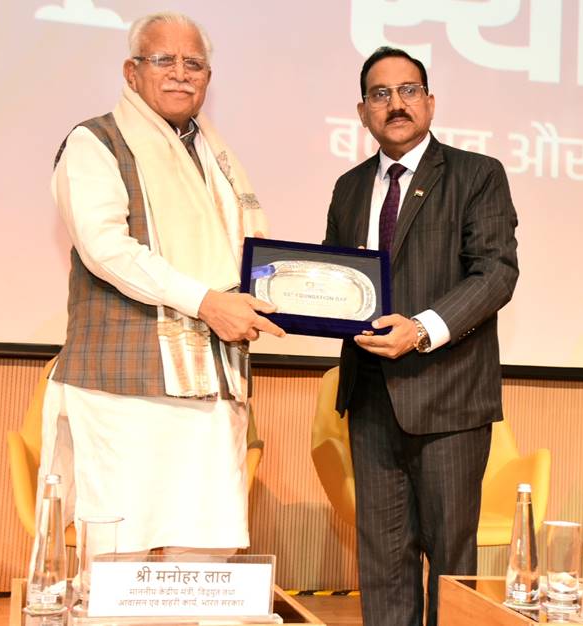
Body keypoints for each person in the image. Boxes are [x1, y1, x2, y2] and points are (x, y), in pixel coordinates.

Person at [38, 11, 284, 557]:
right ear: (131, 72)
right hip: (123, 386)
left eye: (193, 63)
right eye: (163, 60)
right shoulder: (95, 142)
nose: (180, 73)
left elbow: (245, 256)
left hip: (210, 390)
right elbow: (107, 250)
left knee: (207, 551)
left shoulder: (216, 157)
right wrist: (206, 302)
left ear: (208, 78)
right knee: (118, 558)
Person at [323, 47, 519, 626]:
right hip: (371, 398)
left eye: (408, 90)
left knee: (451, 566)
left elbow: (495, 273)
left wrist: (422, 329)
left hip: (451, 396)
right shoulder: (350, 187)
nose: (396, 104)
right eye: (381, 94)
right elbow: (338, 282)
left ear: (430, 101)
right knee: (382, 564)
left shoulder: (476, 174)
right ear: (363, 112)